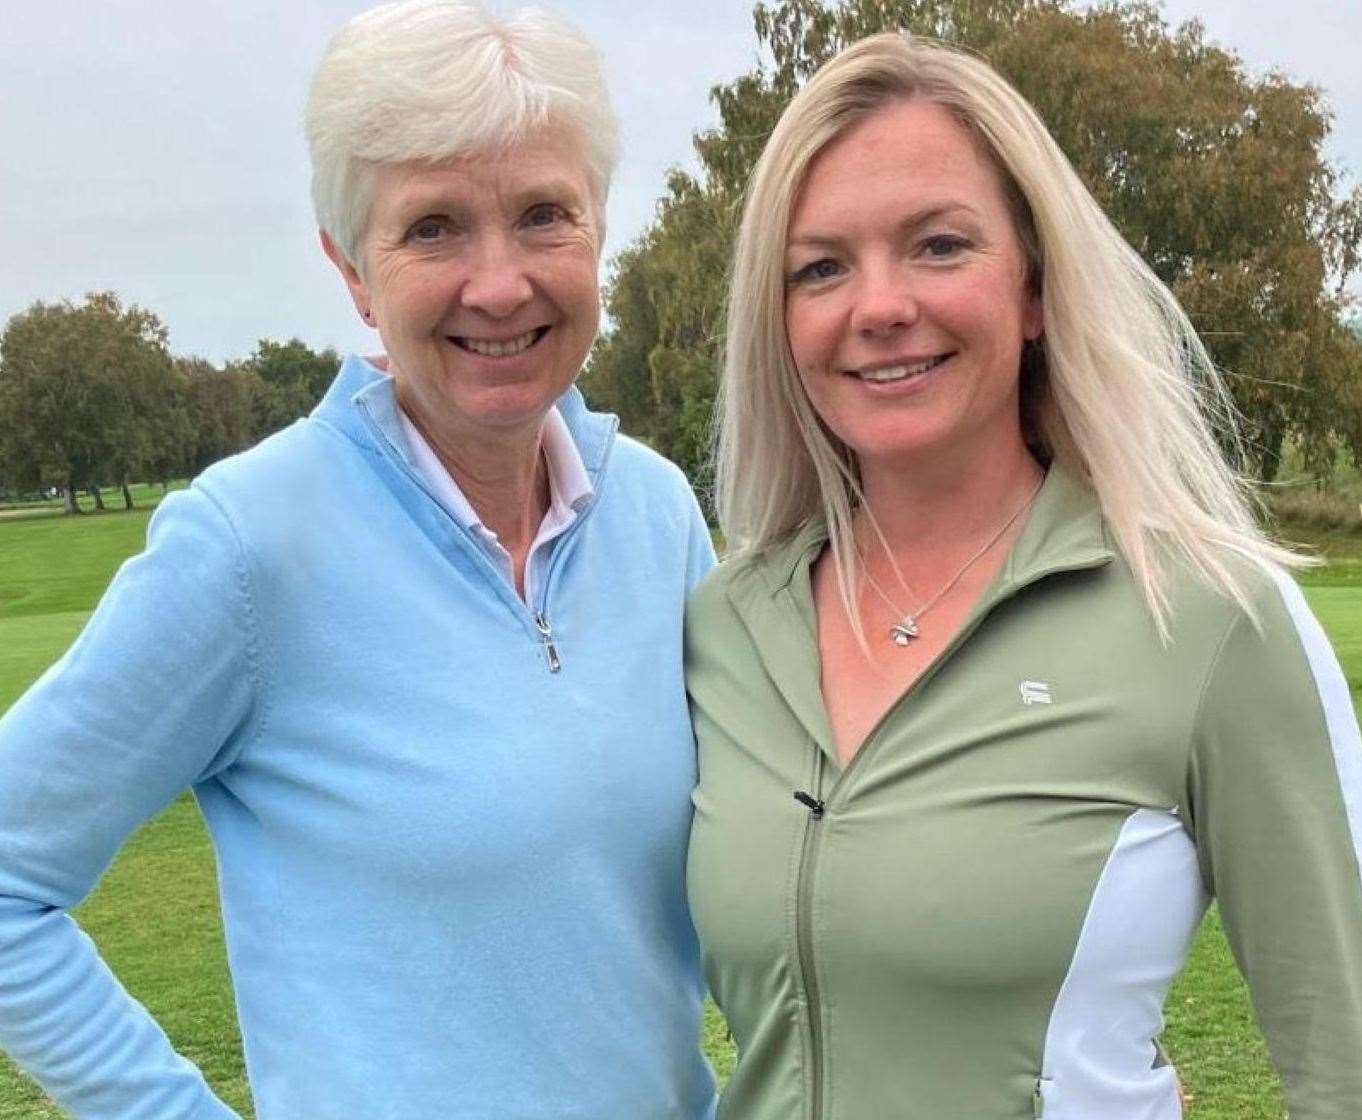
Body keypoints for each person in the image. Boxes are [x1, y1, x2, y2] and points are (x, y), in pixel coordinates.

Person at [0, 3, 718, 1118]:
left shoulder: (658, 514)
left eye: (543, 215)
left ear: (597, 231)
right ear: (352, 271)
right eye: (433, 227)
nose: (498, 282)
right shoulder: (247, 545)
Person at [685, 31, 1362, 1120]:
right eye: (821, 266)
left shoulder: (1207, 616)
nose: (879, 305)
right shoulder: (725, 622)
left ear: (1036, 289)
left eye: (939, 246)